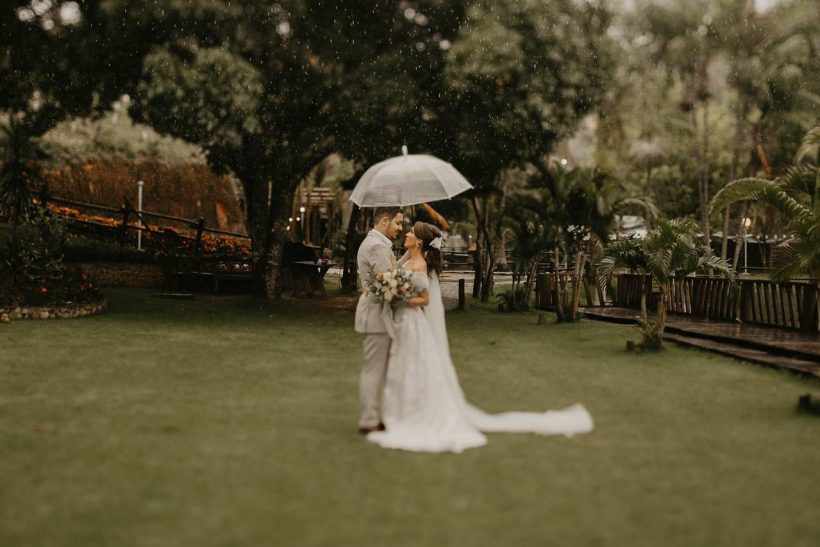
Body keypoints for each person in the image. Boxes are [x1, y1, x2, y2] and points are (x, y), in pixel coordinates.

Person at [366, 221, 594, 453]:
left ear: (420, 241)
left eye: (411, 232)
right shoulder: (409, 260)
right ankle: (404, 410)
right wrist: (391, 287)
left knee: (414, 365)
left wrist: (399, 299)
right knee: (403, 365)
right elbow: (394, 272)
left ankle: (418, 414)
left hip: (412, 322)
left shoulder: (421, 265)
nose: (407, 233)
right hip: (404, 322)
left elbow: (425, 300)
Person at [354, 207, 404, 434]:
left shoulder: (378, 244)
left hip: (377, 313)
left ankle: (377, 415)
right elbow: (389, 285)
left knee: (379, 369)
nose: (401, 229)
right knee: (374, 369)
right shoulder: (376, 246)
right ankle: (369, 419)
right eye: (398, 223)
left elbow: (390, 273)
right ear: (385, 220)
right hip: (376, 314)